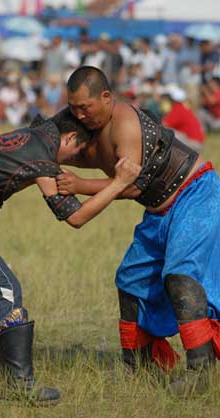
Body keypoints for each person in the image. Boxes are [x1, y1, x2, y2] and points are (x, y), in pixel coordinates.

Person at [0, 108, 138, 405]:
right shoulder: (44, 155)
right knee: (4, 289)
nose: (73, 158)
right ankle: (19, 385)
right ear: (70, 136)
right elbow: (76, 217)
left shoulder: (33, 138)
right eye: (78, 150)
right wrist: (119, 183)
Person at [56, 66, 220, 394]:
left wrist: (79, 184)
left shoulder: (126, 123)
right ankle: (140, 368)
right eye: (73, 108)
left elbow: (132, 186)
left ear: (106, 97)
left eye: (85, 107)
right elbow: (43, 138)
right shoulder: (82, 124)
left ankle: (202, 370)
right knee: (131, 282)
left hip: (195, 193)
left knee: (180, 275)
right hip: (158, 211)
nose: (79, 115)